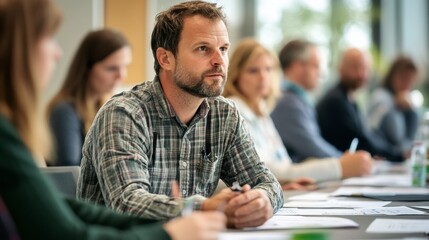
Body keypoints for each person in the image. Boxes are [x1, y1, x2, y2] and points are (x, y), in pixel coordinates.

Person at [0, 0, 226, 239]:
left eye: (223, 48)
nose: (58, 52)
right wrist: (168, 234)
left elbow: (64, 208)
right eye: (46, 39)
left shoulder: (223, 112)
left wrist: (174, 219)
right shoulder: (101, 112)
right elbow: (66, 232)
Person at [77, 0, 283, 229]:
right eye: (203, 49)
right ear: (165, 59)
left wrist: (261, 200)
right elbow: (127, 203)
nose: (219, 61)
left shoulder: (225, 115)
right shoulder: (124, 114)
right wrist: (204, 207)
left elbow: (265, 182)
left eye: (223, 49)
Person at [223, 38, 372, 183]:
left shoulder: (261, 111)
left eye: (268, 69)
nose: (263, 77)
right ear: (236, 75)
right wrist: (340, 166)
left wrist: (286, 182)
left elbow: (284, 165)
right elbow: (259, 171)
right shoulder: (234, 111)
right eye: (253, 71)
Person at [47, 29, 132, 166]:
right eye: (111, 68)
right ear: (87, 68)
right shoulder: (64, 112)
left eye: (125, 67)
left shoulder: (109, 108)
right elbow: (70, 172)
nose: (121, 76)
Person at [316, 48, 404, 162]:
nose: (361, 74)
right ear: (341, 68)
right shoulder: (335, 101)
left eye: (365, 68)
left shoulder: (349, 100)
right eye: (355, 67)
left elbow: (366, 134)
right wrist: (397, 155)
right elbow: (360, 139)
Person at [366, 55, 419, 152]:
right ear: (392, 76)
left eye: (410, 80)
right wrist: (395, 106)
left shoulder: (406, 102)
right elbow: (396, 136)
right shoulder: (381, 98)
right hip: (381, 155)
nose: (407, 84)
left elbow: (411, 140)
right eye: (404, 78)